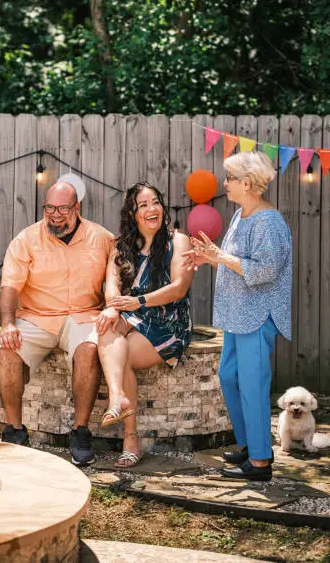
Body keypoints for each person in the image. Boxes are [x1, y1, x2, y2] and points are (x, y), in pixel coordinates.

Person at [183, 151, 292, 481]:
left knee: (252, 385)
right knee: (230, 378)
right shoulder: (242, 214)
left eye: (229, 178)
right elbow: (233, 259)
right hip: (235, 315)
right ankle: (250, 444)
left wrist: (220, 257)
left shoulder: (268, 221)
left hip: (257, 316)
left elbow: (266, 271)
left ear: (247, 183)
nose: (225, 183)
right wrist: (209, 259)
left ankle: (260, 463)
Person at [0, 181, 113, 466]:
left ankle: (80, 431)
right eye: (49, 208)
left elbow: (121, 275)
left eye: (63, 208)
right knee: (7, 350)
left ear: (77, 208)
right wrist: (8, 323)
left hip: (84, 315)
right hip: (38, 316)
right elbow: (10, 286)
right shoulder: (26, 239)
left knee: (88, 349)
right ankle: (15, 430)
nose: (55, 215)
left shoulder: (102, 237)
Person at [96, 182, 194, 468]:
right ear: (132, 212)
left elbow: (179, 287)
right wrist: (114, 309)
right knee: (106, 327)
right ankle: (121, 405)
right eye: (143, 205)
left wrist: (136, 303)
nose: (152, 209)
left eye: (156, 202)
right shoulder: (120, 245)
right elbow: (111, 287)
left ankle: (128, 432)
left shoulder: (179, 241)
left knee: (119, 351)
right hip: (129, 315)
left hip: (168, 320)